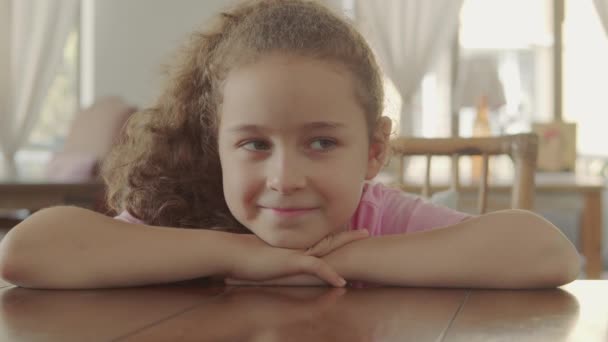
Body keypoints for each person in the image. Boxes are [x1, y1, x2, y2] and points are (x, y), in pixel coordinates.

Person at [0, 0, 579, 290]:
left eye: (322, 142)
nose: (284, 177)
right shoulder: (189, 218)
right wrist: (238, 256)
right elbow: (26, 252)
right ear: (217, 145)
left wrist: (350, 259)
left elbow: (547, 254)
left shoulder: (374, 219)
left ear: (375, 151)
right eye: (253, 144)